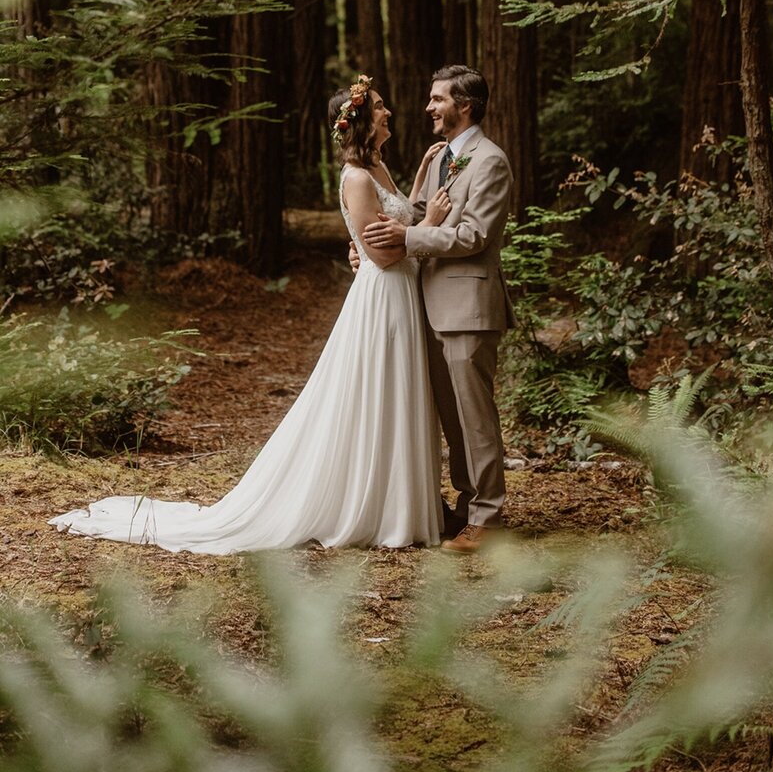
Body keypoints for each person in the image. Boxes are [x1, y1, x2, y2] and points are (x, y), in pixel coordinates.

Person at [49, 76, 452, 554]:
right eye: (381, 107)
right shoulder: (358, 178)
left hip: (399, 294)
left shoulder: (380, 168)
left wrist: (420, 189)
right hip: (383, 297)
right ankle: (371, 509)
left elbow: (391, 227)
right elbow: (381, 254)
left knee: (396, 394)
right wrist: (425, 226)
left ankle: (398, 503)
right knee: (373, 393)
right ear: (363, 120)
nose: (390, 112)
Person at [361, 65, 515, 555]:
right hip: (425, 304)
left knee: (474, 417)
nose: (428, 107)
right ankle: (466, 506)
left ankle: (488, 518)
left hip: (468, 306)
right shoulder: (444, 157)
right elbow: (417, 217)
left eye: (437, 99)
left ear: (463, 105)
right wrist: (373, 246)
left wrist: (406, 239)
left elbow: (473, 236)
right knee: (450, 419)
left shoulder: (489, 161)